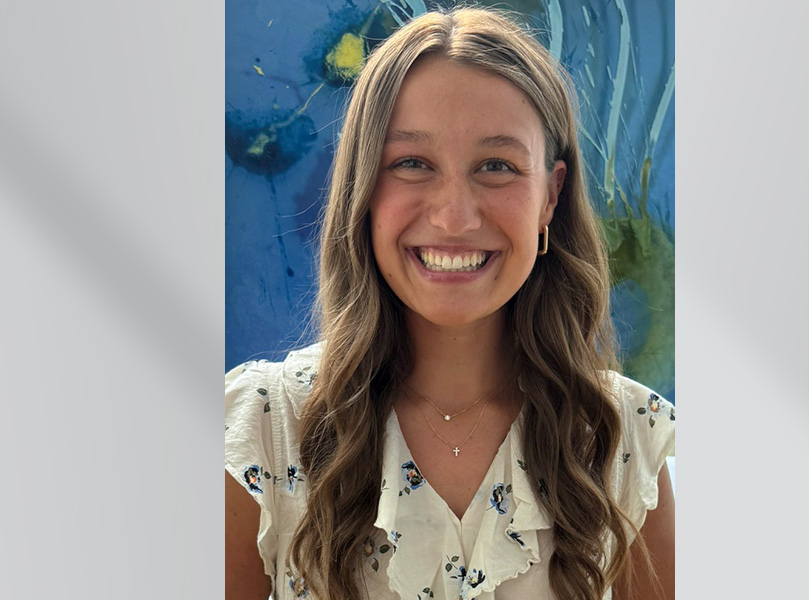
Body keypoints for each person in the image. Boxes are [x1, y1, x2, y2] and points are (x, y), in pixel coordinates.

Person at [225, 7, 674, 600]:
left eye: (497, 166)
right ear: (363, 187)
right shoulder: (262, 431)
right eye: (411, 163)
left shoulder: (624, 444)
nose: (454, 216)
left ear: (550, 197)